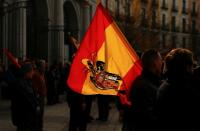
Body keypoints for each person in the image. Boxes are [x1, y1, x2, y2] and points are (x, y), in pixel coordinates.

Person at [157, 48, 198, 131]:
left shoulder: (165, 85)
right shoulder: (185, 91)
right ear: (187, 67)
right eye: (192, 65)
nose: (193, 69)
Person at [124, 49, 163, 131]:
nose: (162, 63)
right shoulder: (143, 86)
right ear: (155, 63)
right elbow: (147, 117)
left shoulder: (146, 81)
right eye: (160, 60)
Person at [11, 62, 39, 131]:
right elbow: (29, 99)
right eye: (32, 71)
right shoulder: (20, 83)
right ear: (27, 72)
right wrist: (36, 106)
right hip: (24, 118)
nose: (33, 73)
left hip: (27, 118)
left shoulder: (27, 82)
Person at [32, 60, 47, 131]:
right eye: (43, 66)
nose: (45, 68)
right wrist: (37, 103)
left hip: (42, 97)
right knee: (38, 115)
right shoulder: (36, 75)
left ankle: (40, 127)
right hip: (39, 98)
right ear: (39, 67)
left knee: (41, 114)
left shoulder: (42, 74)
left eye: (45, 66)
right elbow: (35, 89)